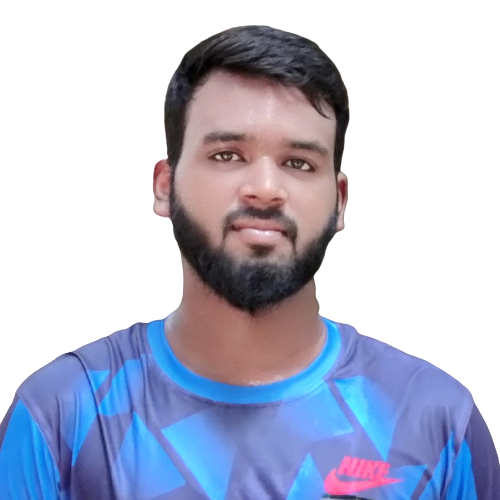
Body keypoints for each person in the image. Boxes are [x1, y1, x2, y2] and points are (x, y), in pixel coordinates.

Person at [0, 24, 498, 500]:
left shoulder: (436, 422)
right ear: (165, 186)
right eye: (227, 155)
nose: (264, 188)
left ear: (340, 201)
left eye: (298, 163)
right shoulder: (60, 415)